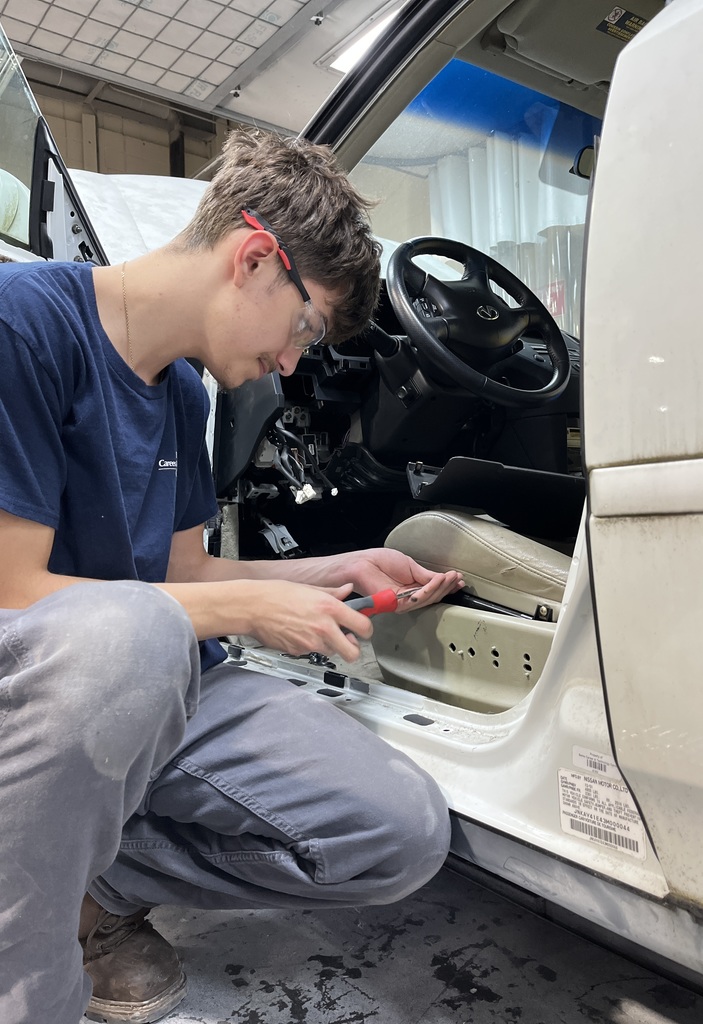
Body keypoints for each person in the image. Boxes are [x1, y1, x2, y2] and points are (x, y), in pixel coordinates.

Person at [0, 128, 463, 1024]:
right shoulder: (22, 323)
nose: (292, 364)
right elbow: (15, 592)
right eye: (304, 328)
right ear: (256, 257)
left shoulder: (182, 392)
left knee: (400, 833)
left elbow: (185, 572)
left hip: (149, 682)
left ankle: (89, 879)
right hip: (38, 686)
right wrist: (243, 607)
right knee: (139, 634)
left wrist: (329, 572)